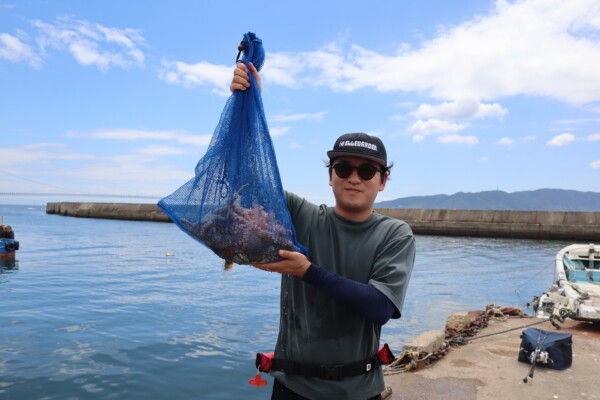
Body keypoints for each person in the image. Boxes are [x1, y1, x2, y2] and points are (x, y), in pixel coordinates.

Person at [231, 63, 415, 400]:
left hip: (358, 391)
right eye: (343, 167)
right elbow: (245, 176)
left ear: (383, 180)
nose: (353, 177)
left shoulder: (395, 234)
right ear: (330, 175)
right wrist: (249, 105)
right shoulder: (301, 214)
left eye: (367, 170)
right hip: (291, 387)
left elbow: (379, 308)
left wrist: (308, 272)